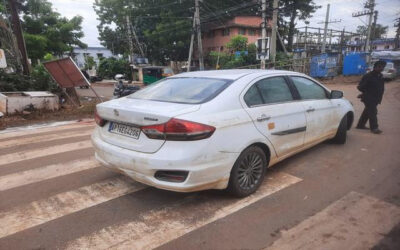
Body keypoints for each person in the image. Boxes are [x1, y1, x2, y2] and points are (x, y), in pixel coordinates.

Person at [356, 60, 386, 134]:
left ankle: (360, 125)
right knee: (373, 112)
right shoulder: (368, 76)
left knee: (367, 111)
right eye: (379, 67)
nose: (381, 68)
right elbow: (360, 87)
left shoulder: (380, 76)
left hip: (376, 98)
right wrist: (366, 93)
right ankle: (374, 128)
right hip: (369, 98)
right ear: (375, 67)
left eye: (382, 67)